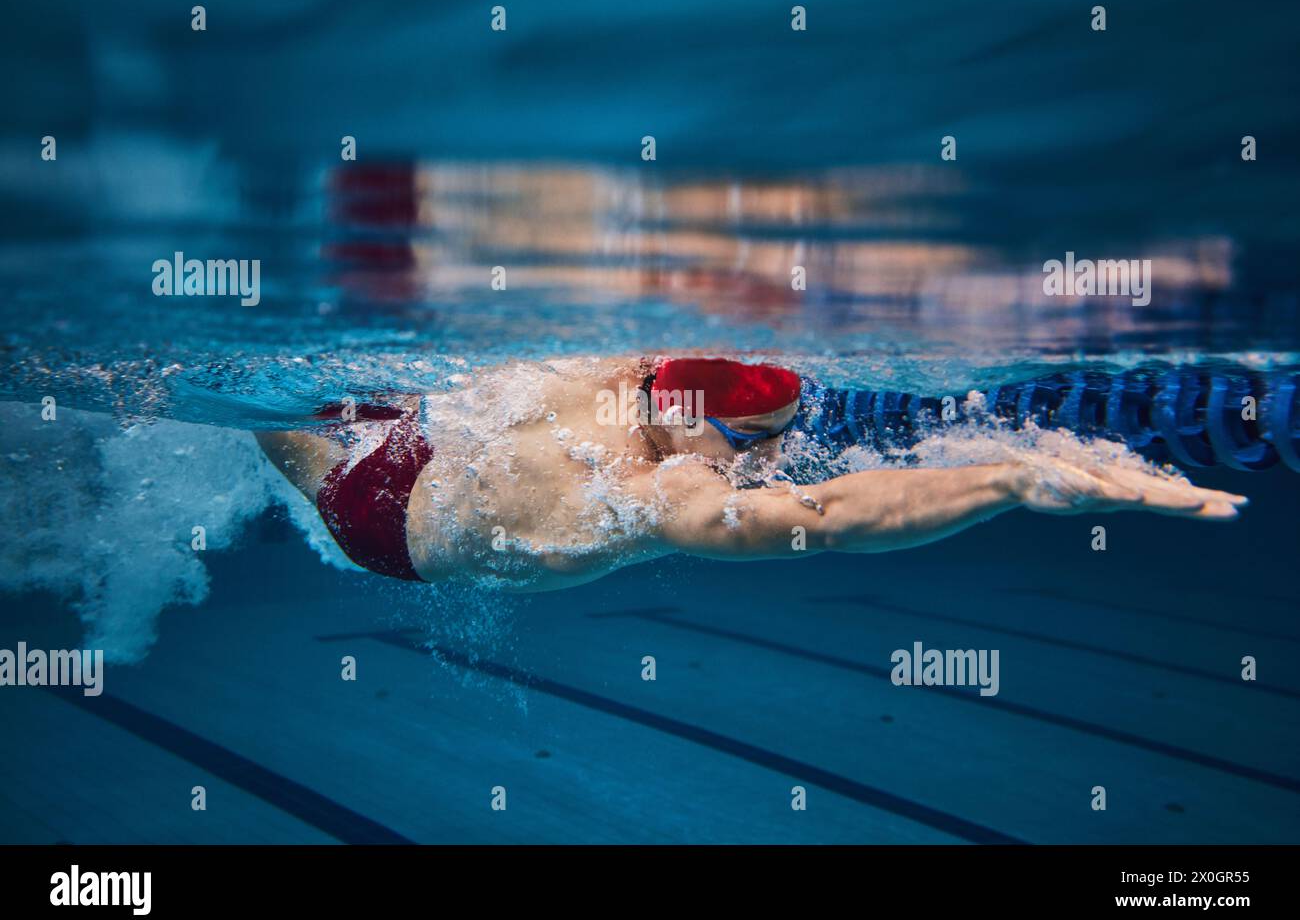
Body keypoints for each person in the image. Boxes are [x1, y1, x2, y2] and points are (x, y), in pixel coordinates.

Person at [256, 356, 1247, 591]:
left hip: (432, 437)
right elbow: (830, 513)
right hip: (380, 524)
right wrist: (1002, 481)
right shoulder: (659, 490)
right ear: (681, 421)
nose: (767, 463)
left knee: (295, 404)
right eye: (752, 446)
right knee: (277, 434)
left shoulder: (615, 362)